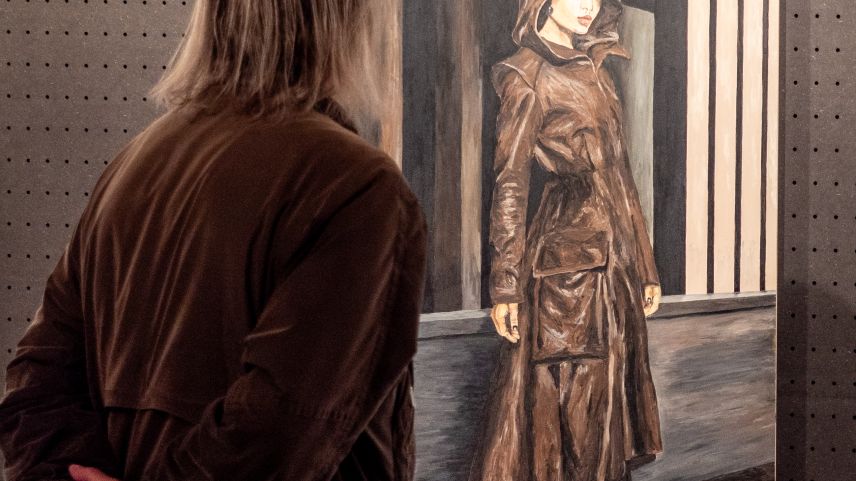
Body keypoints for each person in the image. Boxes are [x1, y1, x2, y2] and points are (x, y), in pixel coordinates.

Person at [0, 0, 427, 480]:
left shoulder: (134, 165)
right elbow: (274, 436)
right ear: (351, 17)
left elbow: (34, 389)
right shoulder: (356, 185)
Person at [469, 1, 663, 480]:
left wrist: (644, 265)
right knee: (569, 413)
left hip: (614, 263)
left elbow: (619, 172)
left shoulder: (598, 69)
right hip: (565, 267)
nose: (587, 6)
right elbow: (510, 182)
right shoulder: (526, 73)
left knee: (605, 411)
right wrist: (505, 286)